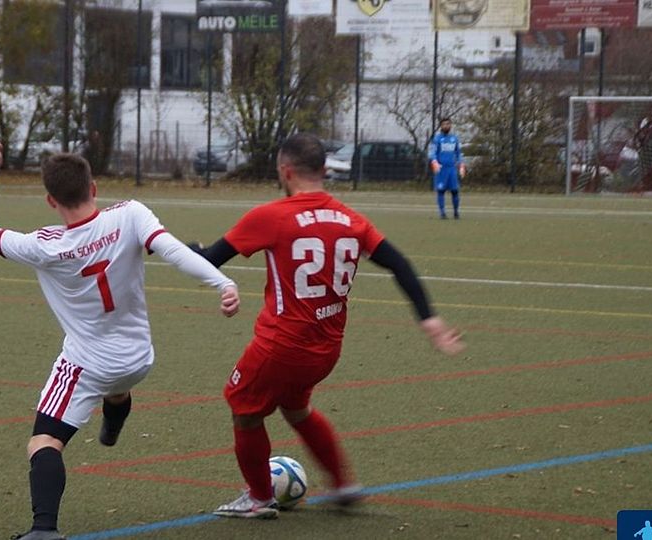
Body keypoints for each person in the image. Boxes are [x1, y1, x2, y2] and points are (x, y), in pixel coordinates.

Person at [0, 140, 241, 540]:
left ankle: (43, 529)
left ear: (50, 201)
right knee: (117, 386)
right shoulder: (130, 215)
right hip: (140, 357)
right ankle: (112, 424)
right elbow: (172, 250)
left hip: (90, 363)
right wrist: (223, 282)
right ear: (93, 188)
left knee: (44, 441)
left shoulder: (44, 245)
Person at [189, 133, 465, 519]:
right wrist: (428, 318)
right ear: (323, 170)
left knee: (243, 409)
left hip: (280, 346)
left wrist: (163, 244)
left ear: (285, 171)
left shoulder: (271, 216)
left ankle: (258, 497)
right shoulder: (351, 219)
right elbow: (399, 263)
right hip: (325, 348)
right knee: (296, 408)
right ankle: (344, 484)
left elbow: (210, 260)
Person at [428, 117, 465, 219]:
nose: (446, 126)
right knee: (441, 191)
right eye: (444, 124)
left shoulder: (454, 139)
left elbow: (458, 154)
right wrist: (434, 162)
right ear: (441, 126)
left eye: (448, 124)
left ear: (450, 125)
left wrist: (461, 165)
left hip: (452, 169)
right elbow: (432, 153)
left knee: (455, 191)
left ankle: (456, 212)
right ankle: (442, 213)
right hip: (441, 169)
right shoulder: (437, 139)